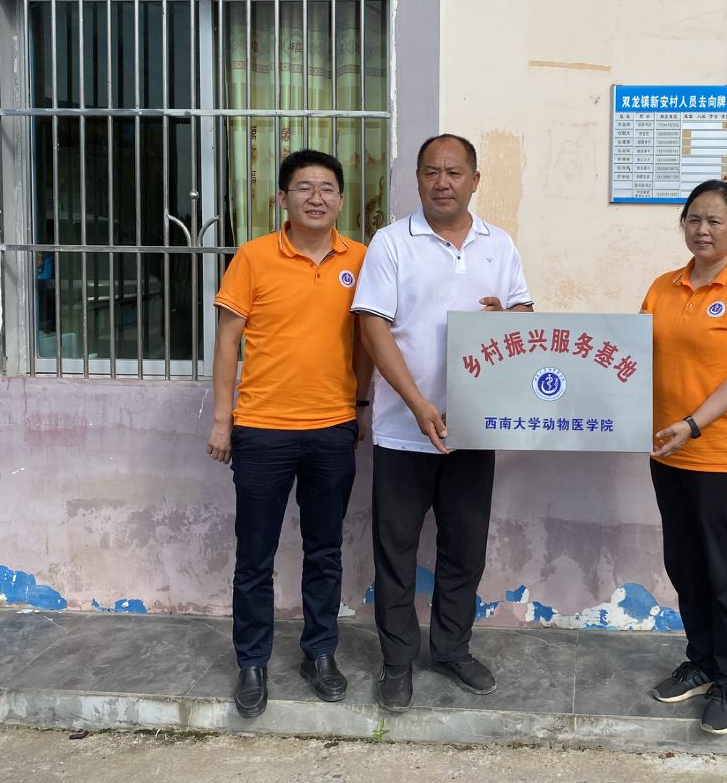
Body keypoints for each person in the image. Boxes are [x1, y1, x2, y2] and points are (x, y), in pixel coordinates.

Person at [352, 134, 533, 712]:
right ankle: (397, 660)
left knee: (465, 547)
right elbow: (373, 327)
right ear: (418, 179)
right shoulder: (391, 243)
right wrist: (416, 403)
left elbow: (524, 316)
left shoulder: (498, 244)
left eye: (454, 172)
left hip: (474, 429)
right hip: (403, 430)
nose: (442, 182)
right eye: (431, 171)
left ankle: (452, 649)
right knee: (396, 551)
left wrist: (509, 318)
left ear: (474, 180)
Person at [206, 149, 372, 719]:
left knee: (325, 550)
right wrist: (223, 420)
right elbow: (228, 341)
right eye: (304, 188)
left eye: (327, 188)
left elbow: (368, 341)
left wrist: (360, 406)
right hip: (262, 431)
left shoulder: (361, 259)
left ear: (341, 200)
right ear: (282, 198)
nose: (316, 198)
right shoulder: (253, 257)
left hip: (332, 429)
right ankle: (251, 661)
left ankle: (319, 653)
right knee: (255, 554)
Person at [640, 179, 727, 736]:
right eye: (693, 218)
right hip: (668, 453)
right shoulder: (663, 287)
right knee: (685, 565)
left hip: (723, 457)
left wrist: (693, 424)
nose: (702, 229)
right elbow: (629, 355)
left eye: (715, 220)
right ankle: (701, 661)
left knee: (724, 570)